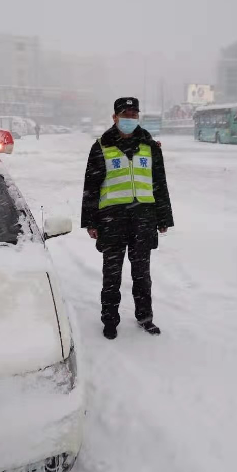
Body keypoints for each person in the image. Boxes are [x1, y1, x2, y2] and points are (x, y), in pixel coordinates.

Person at [81, 97, 174, 339]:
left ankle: (145, 318)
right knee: (111, 275)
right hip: (112, 221)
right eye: (125, 114)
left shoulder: (150, 146)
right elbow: (91, 186)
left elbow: (159, 184)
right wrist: (90, 222)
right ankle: (110, 320)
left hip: (144, 219)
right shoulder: (101, 146)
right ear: (114, 117)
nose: (130, 119)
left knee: (142, 274)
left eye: (134, 115)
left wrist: (163, 218)